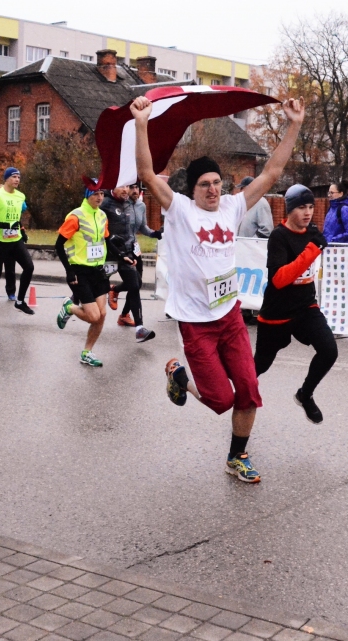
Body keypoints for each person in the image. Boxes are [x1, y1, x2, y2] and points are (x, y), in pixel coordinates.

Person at [132, 95, 305, 484]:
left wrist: (293, 123)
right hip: (195, 323)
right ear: (192, 189)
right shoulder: (179, 209)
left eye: (216, 183)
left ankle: (237, 456)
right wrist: (142, 122)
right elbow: (146, 171)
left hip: (229, 316)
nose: (212, 190)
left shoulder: (232, 206)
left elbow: (272, 172)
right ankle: (180, 378)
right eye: (204, 185)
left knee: (248, 391)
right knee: (219, 400)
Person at [253, 184, 337, 424]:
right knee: (259, 366)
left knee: (329, 350)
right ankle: (241, 394)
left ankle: (305, 394)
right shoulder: (279, 236)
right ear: (290, 209)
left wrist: (313, 248)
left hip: (305, 308)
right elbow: (278, 280)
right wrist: (312, 251)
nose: (308, 212)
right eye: (302, 207)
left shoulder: (312, 233)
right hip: (277, 314)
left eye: (311, 206)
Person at [55, 184, 133, 366]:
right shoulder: (76, 217)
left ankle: (87, 352)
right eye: (95, 194)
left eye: (101, 194)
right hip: (80, 271)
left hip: (98, 271)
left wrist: (122, 256)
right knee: (93, 316)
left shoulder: (102, 215)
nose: (99, 198)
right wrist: (69, 270)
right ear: (87, 195)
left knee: (102, 314)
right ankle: (69, 307)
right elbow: (59, 245)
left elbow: (105, 240)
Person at [0, 167, 35, 321]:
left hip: (15, 240)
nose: (17, 179)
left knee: (29, 267)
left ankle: (20, 301)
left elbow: (16, 219)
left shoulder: (20, 196)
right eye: (14, 176)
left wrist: (21, 231)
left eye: (19, 177)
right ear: (6, 178)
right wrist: (5, 226)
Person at [101, 185, 155, 342]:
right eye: (122, 186)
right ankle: (71, 304)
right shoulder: (104, 203)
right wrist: (109, 239)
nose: (126, 190)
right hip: (107, 254)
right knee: (90, 285)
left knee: (135, 284)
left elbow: (134, 230)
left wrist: (132, 249)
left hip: (126, 254)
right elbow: (96, 228)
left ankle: (139, 328)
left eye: (128, 186)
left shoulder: (131, 204)